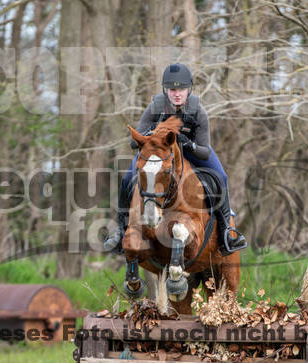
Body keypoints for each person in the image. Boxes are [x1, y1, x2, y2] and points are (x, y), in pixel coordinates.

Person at [104, 63, 247, 255]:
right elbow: (133, 142)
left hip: (192, 153)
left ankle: (226, 232)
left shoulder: (198, 112)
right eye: (172, 90)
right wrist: (151, 133)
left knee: (221, 177)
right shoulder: (155, 106)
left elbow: (205, 151)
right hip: (159, 155)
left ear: (189, 89)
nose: (177, 94)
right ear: (165, 90)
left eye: (181, 89)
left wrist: (188, 144)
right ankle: (120, 230)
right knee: (128, 178)